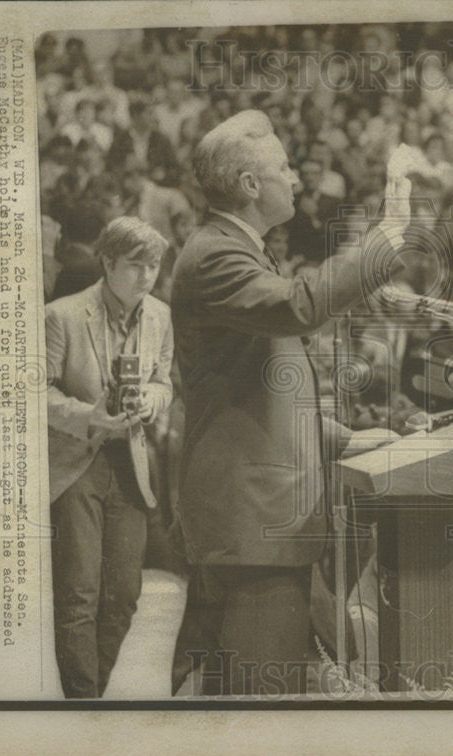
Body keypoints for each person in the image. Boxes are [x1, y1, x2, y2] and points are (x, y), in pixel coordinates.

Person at [169, 109, 410, 696]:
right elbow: (297, 308)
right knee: (261, 711)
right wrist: (382, 239)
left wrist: (343, 438)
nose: (297, 179)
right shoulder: (215, 255)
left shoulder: (238, 248)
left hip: (257, 524)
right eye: (284, 168)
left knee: (243, 702)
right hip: (253, 530)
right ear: (251, 185)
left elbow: (248, 392)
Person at [46, 216, 174, 698]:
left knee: (123, 596)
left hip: (130, 464)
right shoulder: (61, 315)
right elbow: (30, 392)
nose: (147, 276)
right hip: (76, 463)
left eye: (155, 265)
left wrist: (153, 401)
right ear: (108, 261)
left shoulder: (160, 315)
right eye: (136, 265)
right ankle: (84, 705)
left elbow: (164, 382)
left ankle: (90, 693)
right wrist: (89, 416)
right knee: (79, 594)